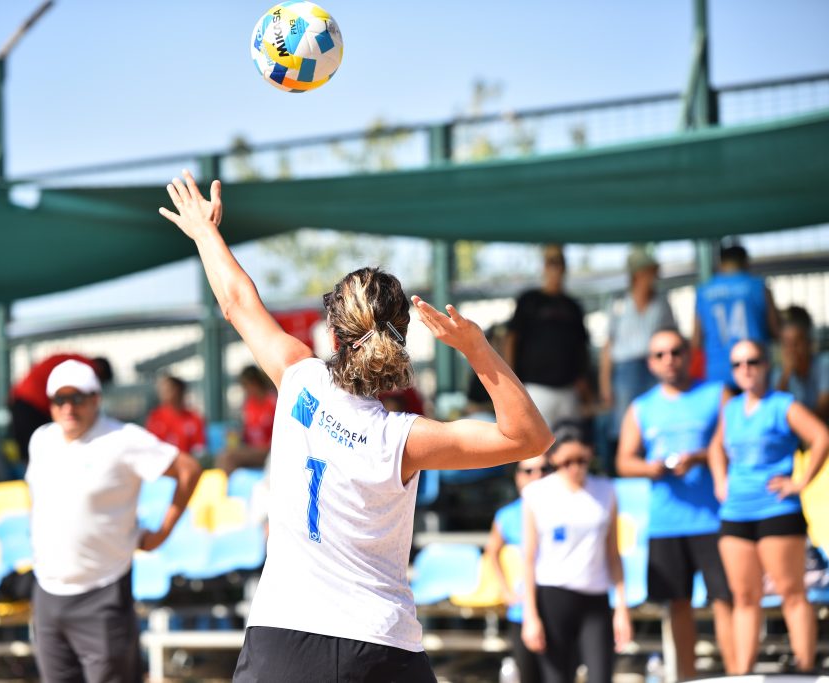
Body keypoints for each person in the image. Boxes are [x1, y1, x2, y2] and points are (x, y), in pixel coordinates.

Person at [159, 170, 552, 683]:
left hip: (285, 637)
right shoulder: (403, 438)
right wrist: (476, 347)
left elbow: (236, 303)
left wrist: (206, 233)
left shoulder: (300, 381)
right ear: (401, 341)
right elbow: (530, 437)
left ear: (333, 329)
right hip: (380, 647)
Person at [27, 359, 201, 683]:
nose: (67, 407)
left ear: (96, 398)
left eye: (76, 398)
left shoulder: (123, 439)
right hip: (48, 594)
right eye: (59, 399)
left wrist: (162, 532)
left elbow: (188, 469)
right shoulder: (41, 440)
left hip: (102, 593)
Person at [615, 328, 734, 679]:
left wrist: (698, 458)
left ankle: (735, 674)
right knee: (678, 605)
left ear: (688, 353)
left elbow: (733, 443)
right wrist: (652, 468)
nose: (669, 360)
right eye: (660, 355)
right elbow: (624, 461)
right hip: (667, 522)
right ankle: (686, 677)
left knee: (725, 600)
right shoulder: (642, 407)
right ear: (651, 363)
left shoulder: (716, 394)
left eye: (676, 352)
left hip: (713, 518)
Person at [709, 339, 828, 674]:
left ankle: (805, 668)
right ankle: (742, 673)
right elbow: (716, 447)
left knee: (791, 592)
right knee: (744, 597)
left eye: (753, 361)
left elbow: (821, 437)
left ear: (767, 364)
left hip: (777, 509)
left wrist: (801, 482)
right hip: (735, 512)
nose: (745, 369)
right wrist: (720, 479)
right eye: (738, 364)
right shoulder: (731, 408)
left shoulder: (783, 404)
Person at [521, 424, 632, 683]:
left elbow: (614, 554)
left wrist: (622, 608)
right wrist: (531, 615)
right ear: (554, 460)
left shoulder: (606, 491)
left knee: (601, 675)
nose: (575, 468)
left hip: (595, 595)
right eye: (566, 462)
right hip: (554, 595)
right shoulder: (536, 493)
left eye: (582, 460)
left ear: (591, 455)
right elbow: (528, 559)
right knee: (558, 677)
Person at [505, 244, 591, 428]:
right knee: (536, 451)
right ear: (544, 266)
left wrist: (584, 385)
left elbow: (581, 347)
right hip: (535, 388)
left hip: (568, 389)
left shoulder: (573, 306)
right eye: (550, 262)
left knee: (570, 444)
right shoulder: (528, 300)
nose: (555, 267)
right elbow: (511, 338)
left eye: (559, 262)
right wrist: (511, 380)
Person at [600, 248, 676, 448]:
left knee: (659, 416)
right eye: (650, 271)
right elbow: (608, 345)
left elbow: (672, 334)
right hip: (626, 370)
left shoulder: (661, 302)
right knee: (623, 423)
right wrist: (605, 384)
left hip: (656, 365)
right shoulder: (618, 303)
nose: (654, 276)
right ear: (638, 274)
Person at [484, 454, 549, 683]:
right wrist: (506, 591)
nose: (538, 476)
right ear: (518, 477)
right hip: (523, 610)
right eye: (529, 471)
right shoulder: (508, 515)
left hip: (558, 604)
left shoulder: (563, 508)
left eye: (544, 469)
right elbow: (492, 552)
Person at [694, 244, 779, 386]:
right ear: (746, 262)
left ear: (720, 263)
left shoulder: (703, 291)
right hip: (753, 367)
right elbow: (775, 328)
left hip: (716, 370)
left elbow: (696, 339)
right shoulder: (757, 286)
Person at [10, 353, 113, 463]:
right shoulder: (85, 369)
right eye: (60, 400)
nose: (68, 407)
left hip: (21, 399)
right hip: (31, 403)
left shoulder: (75, 361)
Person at [772, 305, 829, 423]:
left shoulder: (824, 365)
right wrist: (786, 375)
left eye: (797, 342)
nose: (792, 349)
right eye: (786, 344)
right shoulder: (779, 373)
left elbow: (824, 407)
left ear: (809, 344)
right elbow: (774, 410)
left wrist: (802, 426)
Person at [217, 365, 277, 474]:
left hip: (270, 451)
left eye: (245, 385)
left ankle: (225, 490)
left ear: (254, 383)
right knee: (223, 454)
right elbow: (247, 433)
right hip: (252, 449)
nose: (245, 389)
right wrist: (236, 436)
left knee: (227, 458)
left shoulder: (273, 402)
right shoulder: (249, 404)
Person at [145, 374, 207, 457]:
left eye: (167, 389)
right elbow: (151, 447)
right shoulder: (155, 417)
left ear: (178, 390)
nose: (162, 393)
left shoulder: (194, 418)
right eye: (161, 390)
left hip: (187, 466)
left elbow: (199, 450)